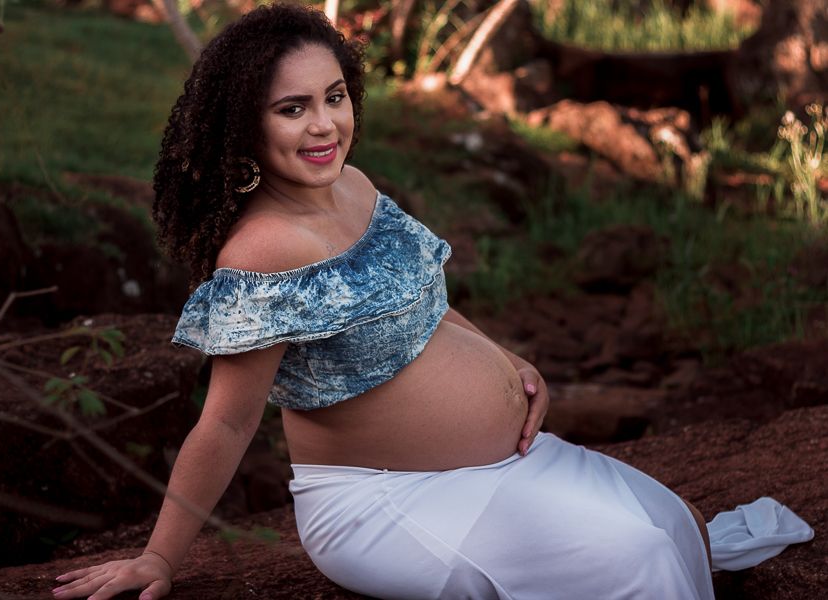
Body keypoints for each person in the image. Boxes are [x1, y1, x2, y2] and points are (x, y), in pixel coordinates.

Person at [52, 5, 813, 600]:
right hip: (385, 505)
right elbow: (227, 419)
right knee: (637, 555)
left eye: (335, 97)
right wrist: (159, 556)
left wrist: (504, 360)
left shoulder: (351, 184)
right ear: (243, 123)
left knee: (670, 525)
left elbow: (420, 294)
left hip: (492, 470)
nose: (325, 125)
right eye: (292, 109)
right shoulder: (264, 250)